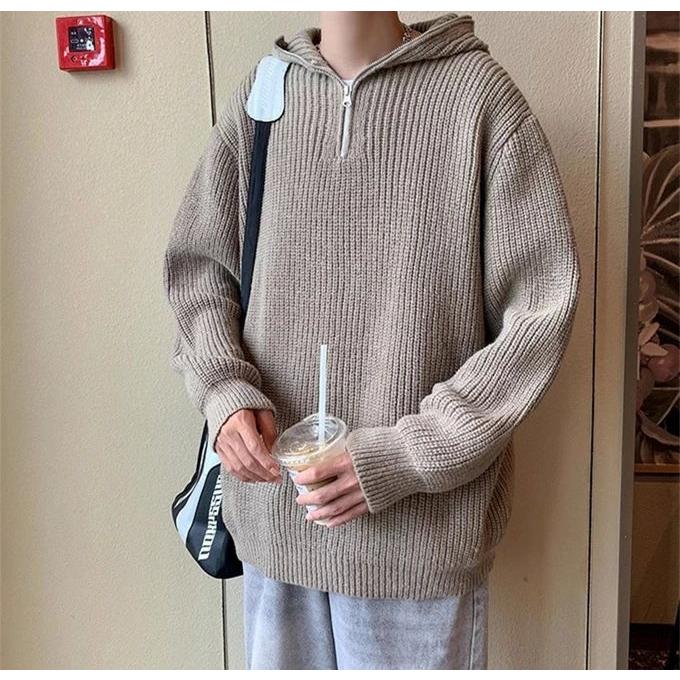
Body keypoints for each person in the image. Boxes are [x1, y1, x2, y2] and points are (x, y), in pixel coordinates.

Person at [163, 10, 582, 670]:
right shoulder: (264, 94)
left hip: (416, 543)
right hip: (277, 525)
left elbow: (540, 309)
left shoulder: (479, 100)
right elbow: (199, 269)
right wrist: (225, 392)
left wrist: (404, 456)